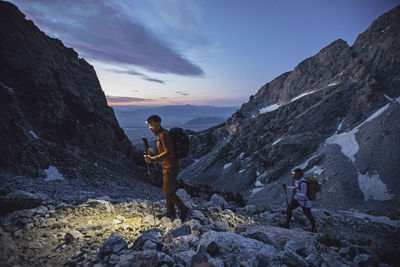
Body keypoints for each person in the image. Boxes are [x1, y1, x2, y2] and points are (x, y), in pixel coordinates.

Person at [144, 115, 189, 221]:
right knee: (168, 190)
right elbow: (165, 148)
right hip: (167, 166)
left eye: (151, 125)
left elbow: (169, 152)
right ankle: (170, 211)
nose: (150, 127)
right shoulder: (161, 134)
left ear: (158, 123)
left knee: (168, 191)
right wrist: (154, 150)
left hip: (171, 167)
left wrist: (152, 159)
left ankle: (184, 210)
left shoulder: (164, 134)